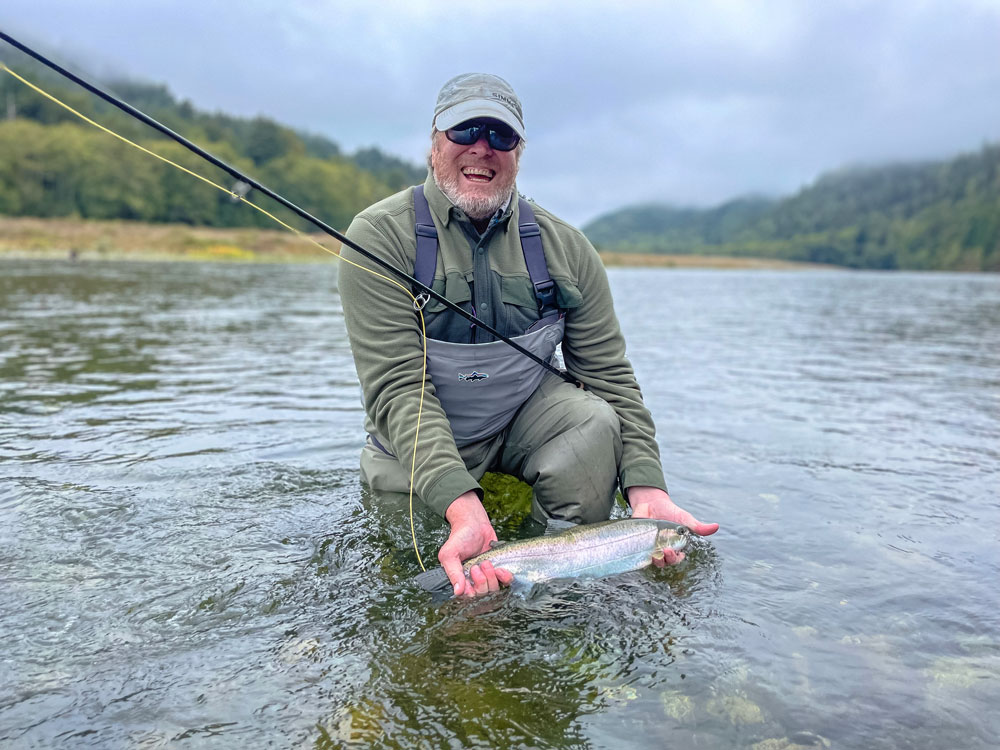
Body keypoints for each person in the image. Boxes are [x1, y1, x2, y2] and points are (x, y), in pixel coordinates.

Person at [338, 73, 718, 597]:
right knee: (415, 578)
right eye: (464, 131)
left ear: (519, 151)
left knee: (594, 420)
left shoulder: (568, 249)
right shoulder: (380, 236)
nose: (482, 149)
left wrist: (646, 485)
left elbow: (607, 377)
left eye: (500, 136)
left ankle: (554, 596)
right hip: (419, 435)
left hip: (521, 423)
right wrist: (459, 502)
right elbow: (398, 389)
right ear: (433, 144)